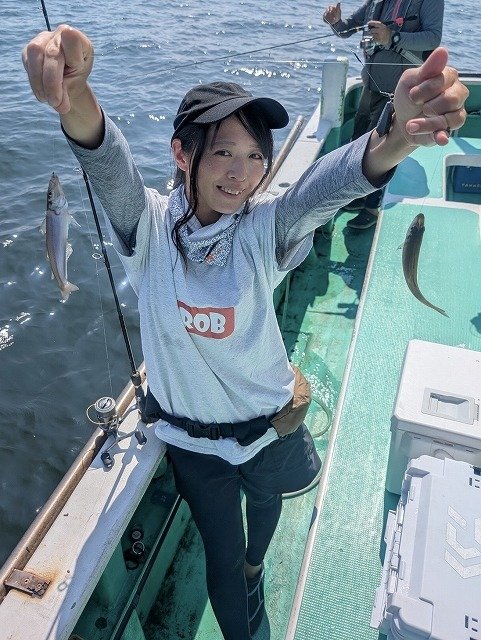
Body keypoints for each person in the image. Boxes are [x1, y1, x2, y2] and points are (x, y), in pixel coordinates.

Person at [22, 24, 466, 640]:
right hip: (194, 443)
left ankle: (260, 562)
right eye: (224, 153)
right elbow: (106, 162)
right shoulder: (146, 228)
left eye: (256, 155)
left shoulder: (265, 228)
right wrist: (74, 94)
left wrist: (393, 137)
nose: (243, 172)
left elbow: (322, 190)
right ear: (182, 154)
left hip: (271, 421)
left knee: (266, 508)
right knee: (224, 561)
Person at [323, 0, 444, 229]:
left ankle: (371, 208)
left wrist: (393, 37)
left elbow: (432, 38)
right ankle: (358, 197)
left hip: (398, 92)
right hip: (371, 85)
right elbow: (347, 29)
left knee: (380, 148)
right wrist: (335, 21)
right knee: (359, 143)